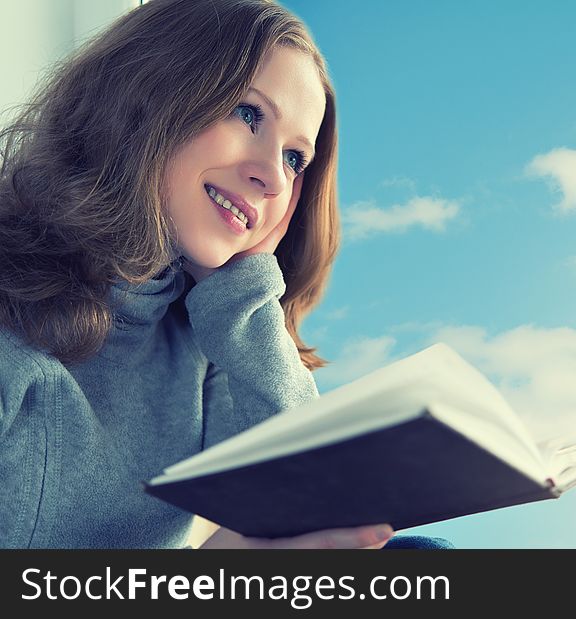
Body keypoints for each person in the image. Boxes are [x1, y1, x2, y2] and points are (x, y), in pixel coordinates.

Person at [0, 0, 452, 550]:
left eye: (294, 159)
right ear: (149, 91)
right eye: (248, 114)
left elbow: (313, 495)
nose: (271, 177)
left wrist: (243, 293)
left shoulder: (198, 337)